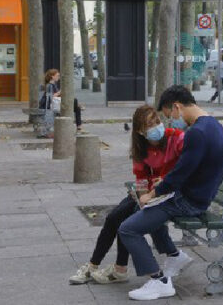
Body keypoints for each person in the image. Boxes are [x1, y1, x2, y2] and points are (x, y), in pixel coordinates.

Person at [119, 85, 223, 301]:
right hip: (198, 195)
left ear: (176, 107)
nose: (171, 121)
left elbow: (180, 174)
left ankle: (160, 281)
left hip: (188, 201)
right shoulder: (214, 125)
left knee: (128, 229)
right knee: (146, 210)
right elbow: (187, 171)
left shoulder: (196, 133)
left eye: (169, 115)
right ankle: (175, 255)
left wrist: (153, 193)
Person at [69, 105, 185, 285]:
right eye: (149, 125)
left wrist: (164, 181)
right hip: (149, 194)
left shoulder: (176, 138)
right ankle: (94, 265)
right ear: (140, 131)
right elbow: (140, 179)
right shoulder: (141, 149)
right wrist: (142, 197)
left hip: (169, 194)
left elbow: (188, 166)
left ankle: (119, 269)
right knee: (113, 217)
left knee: (127, 222)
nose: (156, 127)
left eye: (157, 121)